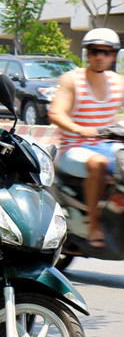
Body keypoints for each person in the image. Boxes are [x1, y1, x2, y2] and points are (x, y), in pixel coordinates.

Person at [49, 27, 124, 251]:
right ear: (87, 54)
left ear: (113, 55)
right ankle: (94, 227)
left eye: (105, 52)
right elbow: (56, 113)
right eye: (94, 51)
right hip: (74, 148)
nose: (99, 57)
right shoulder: (72, 80)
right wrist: (79, 129)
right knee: (98, 163)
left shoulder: (118, 83)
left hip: (108, 145)